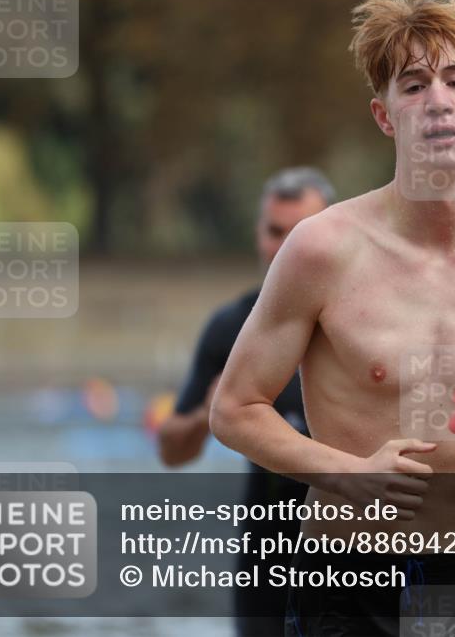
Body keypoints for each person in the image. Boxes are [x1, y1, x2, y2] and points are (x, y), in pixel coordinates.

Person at [209, 0, 455, 637]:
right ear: (385, 115)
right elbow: (234, 408)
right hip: (346, 572)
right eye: (413, 86)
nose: (437, 100)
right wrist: (349, 472)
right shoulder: (322, 249)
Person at [157, 166, 335, 637]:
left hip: (355, 552)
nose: (284, 249)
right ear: (258, 233)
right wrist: (206, 414)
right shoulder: (232, 328)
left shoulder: (362, 325)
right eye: (275, 232)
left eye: (299, 233)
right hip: (267, 560)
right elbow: (172, 452)